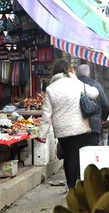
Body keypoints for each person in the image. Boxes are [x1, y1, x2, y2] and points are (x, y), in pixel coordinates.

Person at [36, 60, 99, 188]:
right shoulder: (76, 83)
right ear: (69, 70)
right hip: (78, 127)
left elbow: (46, 114)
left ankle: (70, 186)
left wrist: (41, 135)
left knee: (67, 156)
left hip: (61, 130)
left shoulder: (50, 88)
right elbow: (94, 93)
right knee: (74, 156)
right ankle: (72, 187)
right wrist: (75, 78)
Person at [76, 64, 109, 146]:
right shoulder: (96, 85)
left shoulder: (73, 85)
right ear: (89, 74)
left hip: (76, 126)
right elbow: (105, 104)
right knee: (91, 153)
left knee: (77, 154)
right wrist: (104, 118)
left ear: (76, 74)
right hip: (94, 126)